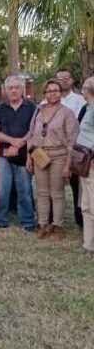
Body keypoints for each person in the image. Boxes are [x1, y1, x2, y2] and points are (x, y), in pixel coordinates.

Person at [26, 79, 78, 240]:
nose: (53, 93)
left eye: (56, 90)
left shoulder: (67, 113)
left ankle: (57, 226)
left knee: (57, 193)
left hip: (59, 155)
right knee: (42, 192)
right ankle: (42, 224)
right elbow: (31, 135)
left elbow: (72, 141)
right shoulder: (38, 111)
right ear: (44, 94)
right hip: (40, 154)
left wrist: (67, 165)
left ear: (61, 93)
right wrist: (29, 157)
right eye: (49, 91)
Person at [0, 76, 37, 231]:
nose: (14, 90)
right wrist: (13, 141)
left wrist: (19, 144)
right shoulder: (0, 108)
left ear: (22, 89)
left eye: (17, 87)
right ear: (5, 90)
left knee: (25, 189)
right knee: (2, 189)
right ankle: (0, 219)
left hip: (25, 155)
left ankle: (27, 221)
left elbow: (34, 130)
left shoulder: (31, 107)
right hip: (3, 155)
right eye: (10, 88)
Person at [55, 69, 87, 229]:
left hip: (75, 148)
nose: (64, 81)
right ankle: (54, 219)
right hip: (54, 149)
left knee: (76, 185)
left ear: (72, 80)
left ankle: (80, 219)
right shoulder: (49, 100)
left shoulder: (80, 101)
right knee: (54, 186)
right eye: (60, 78)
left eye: (67, 77)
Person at [75, 77, 94, 255]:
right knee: (86, 204)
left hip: (92, 162)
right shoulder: (88, 108)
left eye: (83, 89)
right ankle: (89, 244)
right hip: (84, 162)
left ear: (88, 91)